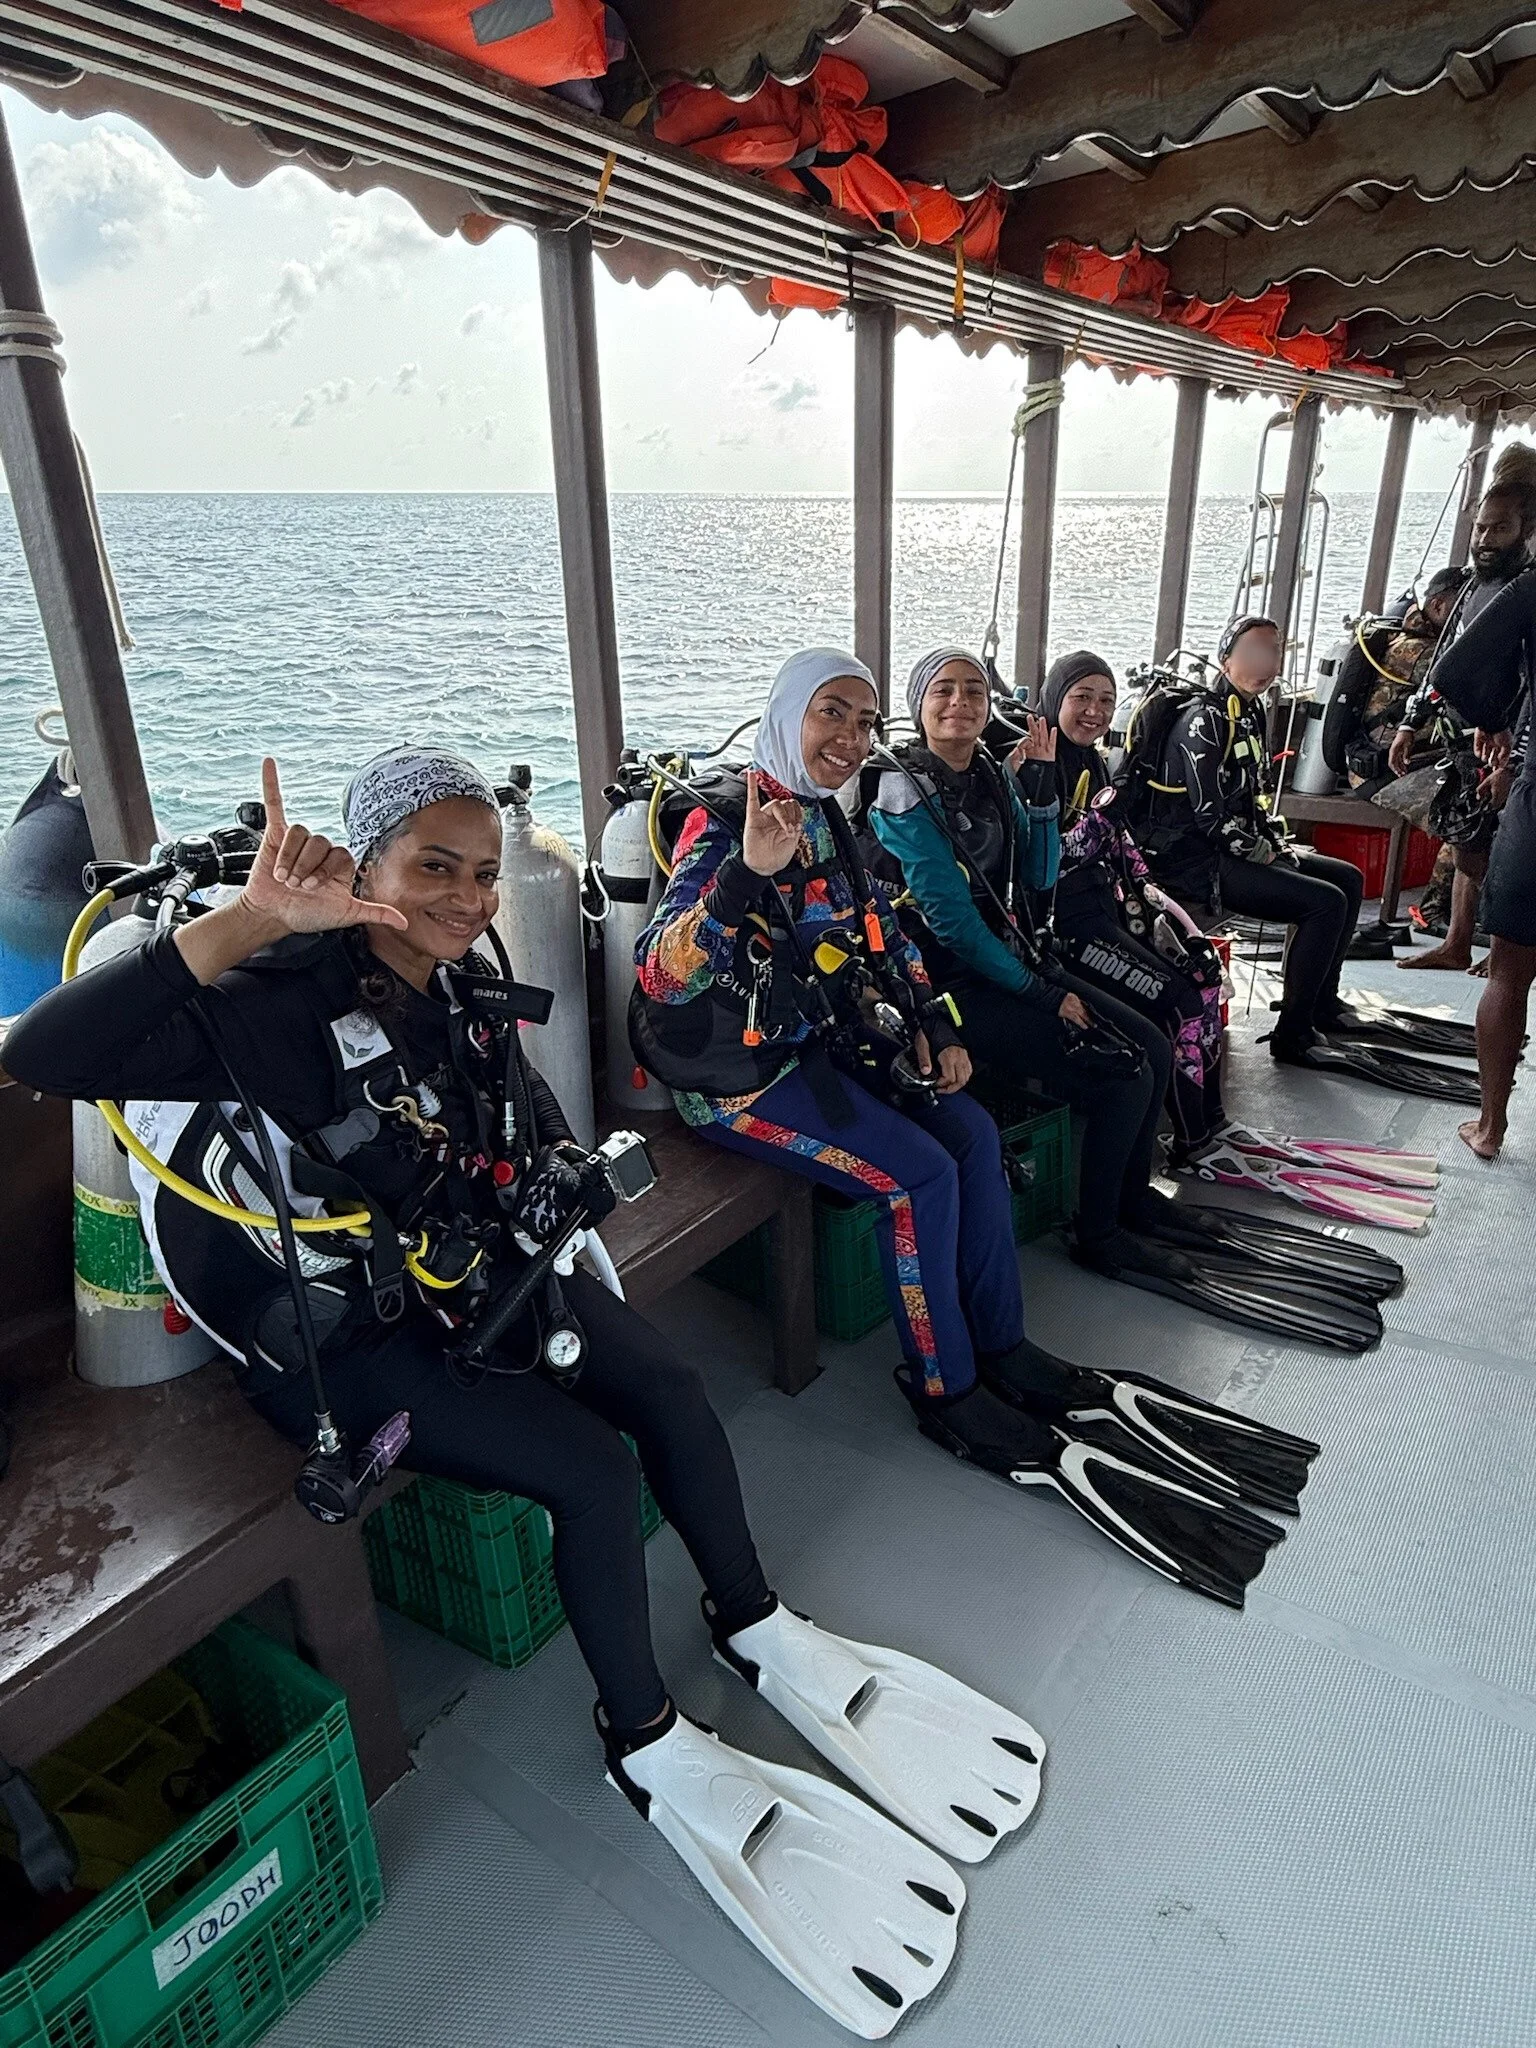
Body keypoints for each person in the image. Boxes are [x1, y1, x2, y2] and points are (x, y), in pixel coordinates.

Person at [2, 746, 1057, 2037]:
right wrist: (250, 919)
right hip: (353, 1344)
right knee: (588, 1470)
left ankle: (754, 1621)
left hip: (489, 1273)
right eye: (430, 866)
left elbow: (507, 1143)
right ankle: (645, 1734)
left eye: (484, 870)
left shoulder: (458, 984)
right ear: (368, 868)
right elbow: (51, 1056)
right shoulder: (275, 1003)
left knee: (668, 1386)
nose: (463, 894)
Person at [632, 647, 1310, 1607]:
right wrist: (746, 874)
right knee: (920, 1176)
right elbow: (661, 975)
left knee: (973, 1134)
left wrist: (934, 1026)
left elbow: (889, 935)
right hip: (737, 1079)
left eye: (864, 723)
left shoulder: (831, 815)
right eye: (833, 713)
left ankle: (1003, 1344)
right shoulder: (726, 816)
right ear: (788, 713)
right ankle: (945, 1388)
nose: (850, 739)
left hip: (820, 1047)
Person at [865, 645, 1177, 1268]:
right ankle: (1100, 1234)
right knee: (1123, 1072)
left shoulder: (986, 768)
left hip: (1012, 960)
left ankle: (1132, 1199)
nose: (961, 702)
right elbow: (952, 925)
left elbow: (1038, 876)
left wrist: (1038, 793)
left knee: (1156, 1048)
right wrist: (1043, 994)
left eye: (974, 691)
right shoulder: (904, 791)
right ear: (917, 706)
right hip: (950, 989)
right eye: (943, 691)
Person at [1137, 615, 1364, 1065]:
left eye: (1275, 650)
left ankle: (1322, 1003)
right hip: (1194, 862)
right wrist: (1266, 855)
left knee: (1349, 880)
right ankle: (1293, 1034)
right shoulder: (1205, 721)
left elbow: (1249, 798)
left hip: (1235, 847)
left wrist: (1272, 844)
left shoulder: (1251, 710)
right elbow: (1210, 820)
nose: (1268, 661)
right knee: (1325, 903)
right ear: (1226, 659)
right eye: (1254, 651)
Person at [1036, 648, 1227, 1164]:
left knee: (1205, 979)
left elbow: (1121, 848)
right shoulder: (1037, 766)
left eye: (1106, 700)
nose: (1094, 711)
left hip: (1109, 909)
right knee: (1180, 1001)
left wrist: (1160, 903)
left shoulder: (1094, 762)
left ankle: (1210, 1118)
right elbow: (1045, 864)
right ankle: (1193, 1142)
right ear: (1056, 699)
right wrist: (1105, 816)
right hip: (1069, 931)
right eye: (1081, 698)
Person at [1387, 455, 1536, 972]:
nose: (1485, 539)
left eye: (1499, 528)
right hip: (1463, 740)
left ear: (1527, 529)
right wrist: (1410, 722)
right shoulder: (1473, 585)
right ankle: (1455, 942)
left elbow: (1530, 699)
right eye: (1479, 527)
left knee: (1507, 856)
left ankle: (1504, 955)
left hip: (1507, 747)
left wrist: (1510, 763)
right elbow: (1444, 662)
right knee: (1468, 846)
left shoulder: (1527, 594)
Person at [1414, 541, 1536, 1159]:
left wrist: (1497, 720)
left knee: (1510, 974)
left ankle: (1490, 1127)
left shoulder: (1530, 586)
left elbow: (1455, 670)